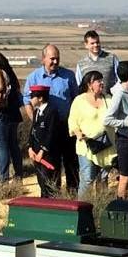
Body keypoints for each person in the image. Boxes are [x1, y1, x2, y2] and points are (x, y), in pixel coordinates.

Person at [23, 44, 79, 192]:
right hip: (46, 131)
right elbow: (26, 101)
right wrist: (36, 122)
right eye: (52, 59)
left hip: (66, 127)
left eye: (57, 59)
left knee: (71, 164)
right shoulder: (33, 77)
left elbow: (76, 99)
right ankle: (52, 198)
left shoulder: (69, 76)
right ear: (43, 59)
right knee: (50, 165)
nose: (55, 62)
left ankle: (72, 196)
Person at [70, 70, 116, 198]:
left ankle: (100, 208)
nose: (102, 83)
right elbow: (72, 121)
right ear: (90, 84)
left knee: (103, 179)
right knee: (87, 179)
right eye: (99, 81)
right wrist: (78, 133)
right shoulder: (79, 100)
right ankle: (81, 208)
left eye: (102, 80)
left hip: (106, 146)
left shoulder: (108, 99)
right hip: (87, 147)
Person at [0, 51, 25, 183]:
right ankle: (19, 175)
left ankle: (3, 177)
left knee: (1, 147)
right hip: (13, 113)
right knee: (13, 145)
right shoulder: (10, 73)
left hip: (1, 114)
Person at [104, 60, 128, 198]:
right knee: (125, 176)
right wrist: (125, 123)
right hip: (125, 139)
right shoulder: (119, 94)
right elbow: (107, 119)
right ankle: (122, 208)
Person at [27, 84, 66, 197]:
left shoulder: (51, 111)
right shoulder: (36, 112)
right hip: (36, 153)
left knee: (50, 181)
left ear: (40, 98)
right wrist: (30, 147)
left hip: (48, 154)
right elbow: (33, 130)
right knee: (41, 181)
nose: (30, 100)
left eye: (33, 97)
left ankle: (52, 203)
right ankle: (43, 201)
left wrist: (42, 151)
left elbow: (51, 133)